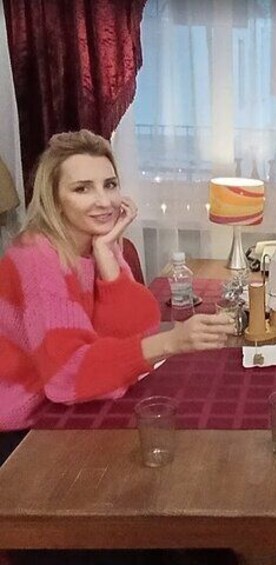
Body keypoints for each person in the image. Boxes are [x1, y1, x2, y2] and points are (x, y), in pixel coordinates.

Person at [0, 130, 232, 463]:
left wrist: (107, 253)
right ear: (54, 199)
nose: (105, 201)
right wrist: (173, 341)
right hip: (23, 427)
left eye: (110, 185)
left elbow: (138, 328)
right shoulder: (36, 257)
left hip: (74, 404)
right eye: (82, 189)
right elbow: (67, 375)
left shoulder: (95, 243)